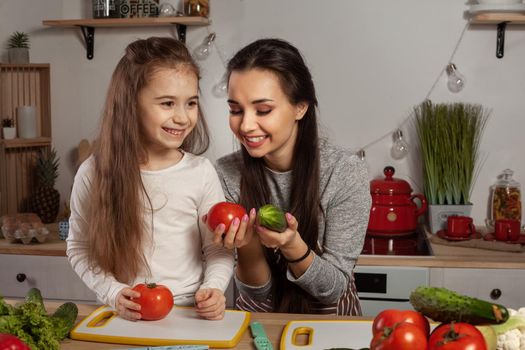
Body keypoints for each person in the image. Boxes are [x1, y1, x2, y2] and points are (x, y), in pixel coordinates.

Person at [67, 37, 234, 321]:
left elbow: (217, 249)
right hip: (122, 314)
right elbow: (79, 247)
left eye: (191, 103)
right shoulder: (93, 172)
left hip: (189, 312)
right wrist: (113, 292)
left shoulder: (201, 172)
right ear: (130, 103)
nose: (182, 117)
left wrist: (214, 288)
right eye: (168, 103)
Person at [212, 38, 371, 315]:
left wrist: (292, 245)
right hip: (259, 328)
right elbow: (256, 292)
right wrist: (247, 243)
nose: (246, 125)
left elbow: (333, 288)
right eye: (236, 110)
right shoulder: (226, 173)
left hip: (331, 329)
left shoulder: (344, 171)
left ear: (300, 107)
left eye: (263, 110)